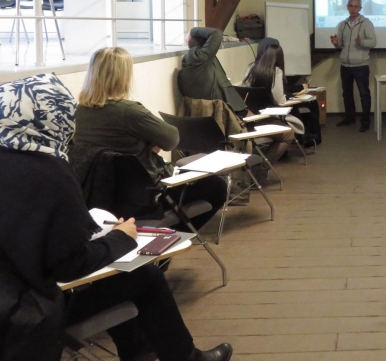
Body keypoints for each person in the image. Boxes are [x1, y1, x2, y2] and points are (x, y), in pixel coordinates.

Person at [0, 72, 232, 361]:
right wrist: (121, 239)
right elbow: (71, 265)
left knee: (123, 278)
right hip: (22, 317)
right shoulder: (49, 173)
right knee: (142, 275)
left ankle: (140, 353)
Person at [74, 47, 227, 230]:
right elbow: (172, 139)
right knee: (216, 186)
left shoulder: (80, 112)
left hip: (106, 199)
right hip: (147, 197)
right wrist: (149, 142)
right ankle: (176, 237)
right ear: (123, 75)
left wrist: (144, 142)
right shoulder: (129, 111)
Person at [243, 43, 301, 160]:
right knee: (288, 135)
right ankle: (262, 167)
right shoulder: (277, 71)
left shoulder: (251, 68)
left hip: (248, 119)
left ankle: (260, 163)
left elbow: (244, 91)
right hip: (264, 120)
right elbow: (280, 100)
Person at [330, 0, 376, 132]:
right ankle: (350, 117)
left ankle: (365, 121)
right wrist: (335, 43)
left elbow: (373, 42)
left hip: (361, 65)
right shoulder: (342, 24)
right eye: (351, 6)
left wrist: (361, 42)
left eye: (356, 6)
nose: (353, 9)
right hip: (345, 65)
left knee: (364, 94)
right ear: (347, 7)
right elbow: (340, 44)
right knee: (347, 93)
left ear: (360, 8)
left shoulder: (366, 23)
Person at [178, 26, 247, 117]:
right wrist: (192, 31)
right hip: (221, 115)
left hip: (206, 117)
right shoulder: (202, 59)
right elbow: (217, 33)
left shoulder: (189, 62)